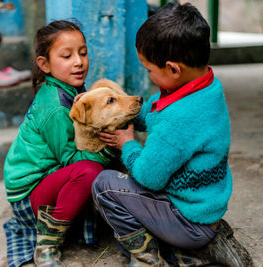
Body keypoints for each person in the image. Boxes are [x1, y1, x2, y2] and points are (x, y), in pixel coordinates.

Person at [92, 3, 251, 266]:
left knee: (104, 185)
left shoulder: (178, 123)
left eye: (149, 71)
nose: (150, 77)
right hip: (204, 208)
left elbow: (148, 177)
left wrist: (127, 144)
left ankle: (151, 256)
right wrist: (129, 113)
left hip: (188, 221)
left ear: (173, 69)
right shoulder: (207, 87)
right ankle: (207, 243)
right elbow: (156, 112)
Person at [3, 20, 117, 267]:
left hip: (48, 181)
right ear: (44, 64)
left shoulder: (71, 89)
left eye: (83, 53)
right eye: (67, 56)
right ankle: (47, 243)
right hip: (28, 195)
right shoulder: (56, 108)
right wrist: (107, 150)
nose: (78, 61)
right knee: (90, 170)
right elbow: (71, 159)